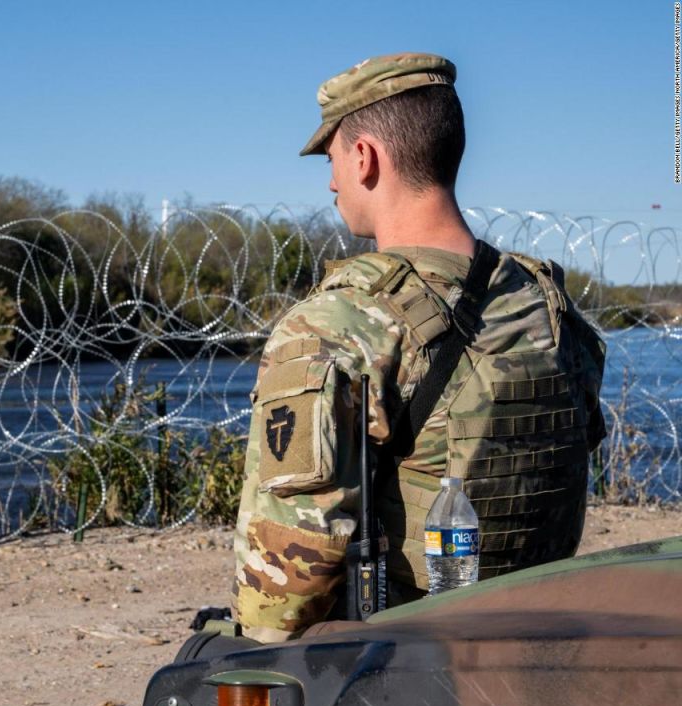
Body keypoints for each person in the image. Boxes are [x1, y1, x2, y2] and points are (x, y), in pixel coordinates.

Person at [232, 52, 606, 642]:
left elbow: (282, 594)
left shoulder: (337, 323)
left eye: (331, 161)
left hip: (411, 665)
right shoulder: (546, 305)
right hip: (543, 646)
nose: (331, 182)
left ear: (365, 157)